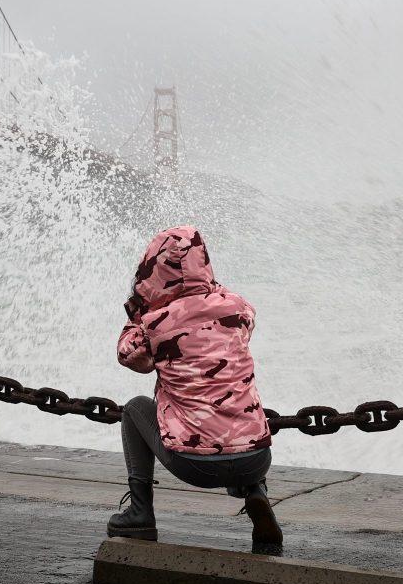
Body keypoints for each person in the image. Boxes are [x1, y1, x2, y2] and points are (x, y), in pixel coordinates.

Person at [109, 225, 281, 544]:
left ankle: (140, 513)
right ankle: (257, 492)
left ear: (153, 270)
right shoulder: (239, 309)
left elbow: (131, 357)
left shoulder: (156, 323)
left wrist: (139, 314)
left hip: (196, 465)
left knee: (134, 408)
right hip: (256, 459)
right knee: (236, 401)